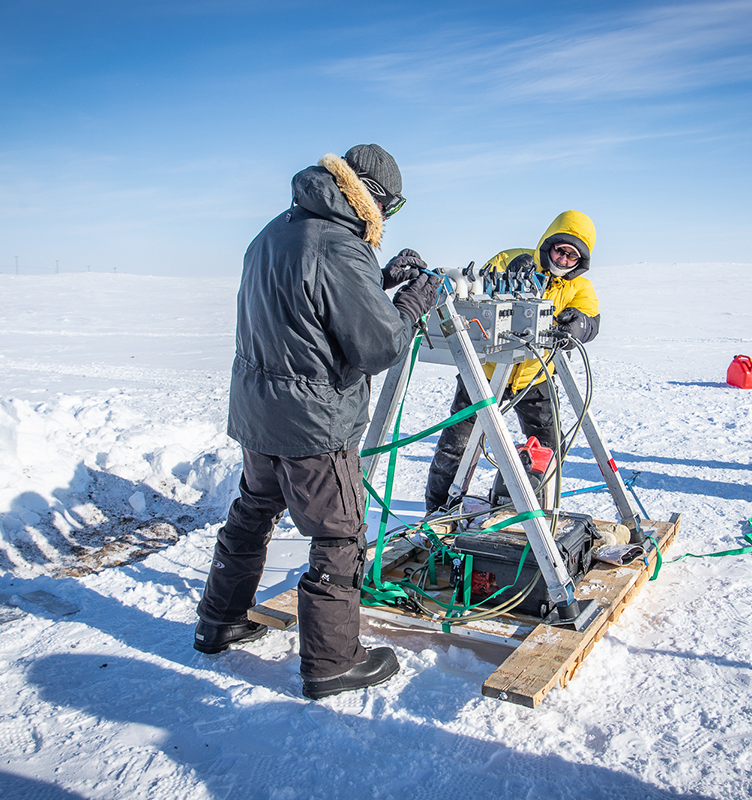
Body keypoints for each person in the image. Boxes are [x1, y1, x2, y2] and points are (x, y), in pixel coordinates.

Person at [193, 144, 440, 699]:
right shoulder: (338, 245)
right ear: (371, 197)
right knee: (339, 532)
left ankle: (220, 620)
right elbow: (378, 346)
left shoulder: (276, 230)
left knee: (253, 511)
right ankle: (331, 663)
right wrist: (412, 302)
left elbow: (306, 307)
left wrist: (376, 279)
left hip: (259, 412)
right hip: (312, 422)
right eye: (390, 209)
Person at [424, 210, 600, 513]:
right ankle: (438, 512)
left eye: (572, 257)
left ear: (579, 262)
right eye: (560, 250)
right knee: (457, 446)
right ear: (549, 244)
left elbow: (591, 321)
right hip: (487, 372)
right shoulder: (510, 258)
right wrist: (510, 280)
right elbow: (479, 295)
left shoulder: (579, 288)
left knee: (547, 449)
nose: (563, 259)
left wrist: (577, 325)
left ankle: (542, 511)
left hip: (536, 377)